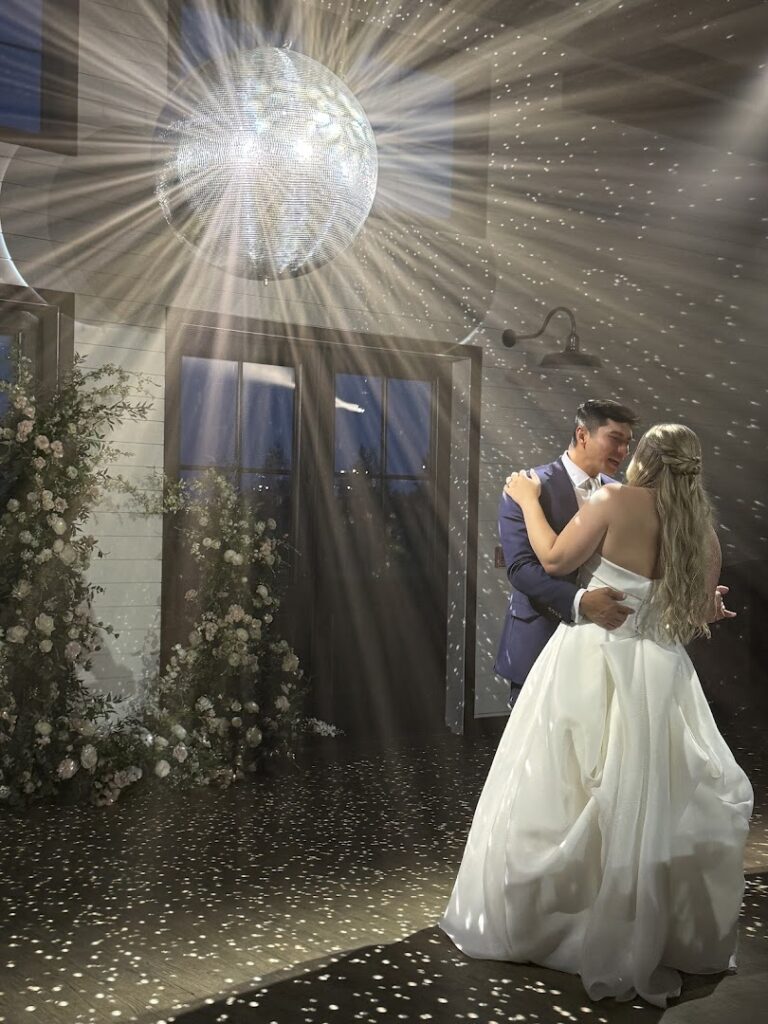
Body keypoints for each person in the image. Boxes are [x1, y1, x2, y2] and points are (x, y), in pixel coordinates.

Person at [441, 423, 753, 1007]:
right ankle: (644, 925)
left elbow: (553, 559)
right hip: (661, 674)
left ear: (646, 458)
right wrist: (709, 607)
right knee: (649, 791)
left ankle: (564, 920)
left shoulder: (614, 501)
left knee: (565, 785)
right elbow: (691, 616)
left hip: (592, 659)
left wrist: (527, 499)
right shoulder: (702, 531)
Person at [495, 399, 639, 706]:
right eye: (615, 439)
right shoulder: (527, 487)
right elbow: (520, 569)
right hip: (540, 636)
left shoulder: (621, 493)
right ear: (583, 434)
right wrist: (580, 601)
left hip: (605, 643)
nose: (623, 451)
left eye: (628, 443)